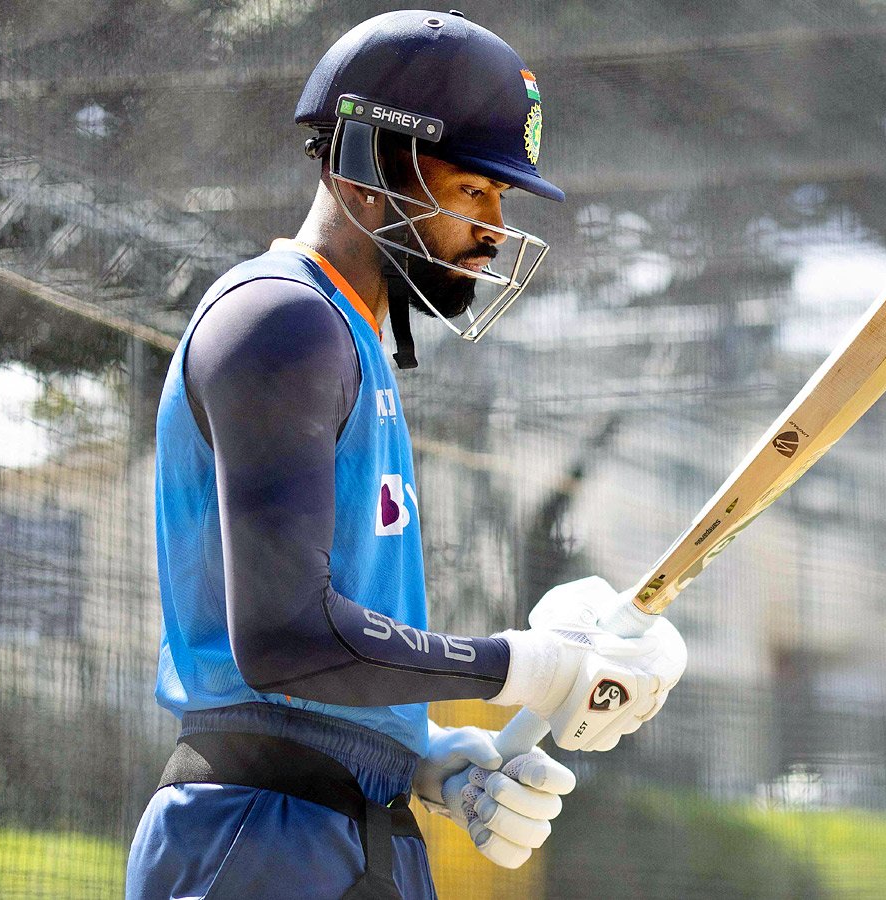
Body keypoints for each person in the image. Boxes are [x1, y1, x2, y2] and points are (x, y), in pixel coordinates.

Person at [125, 9, 686, 900]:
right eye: (473, 190)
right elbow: (284, 642)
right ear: (366, 168)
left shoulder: (347, 338)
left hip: (346, 827)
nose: (497, 226)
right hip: (262, 832)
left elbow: (322, 658)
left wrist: (430, 758)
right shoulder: (283, 321)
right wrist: (522, 666)